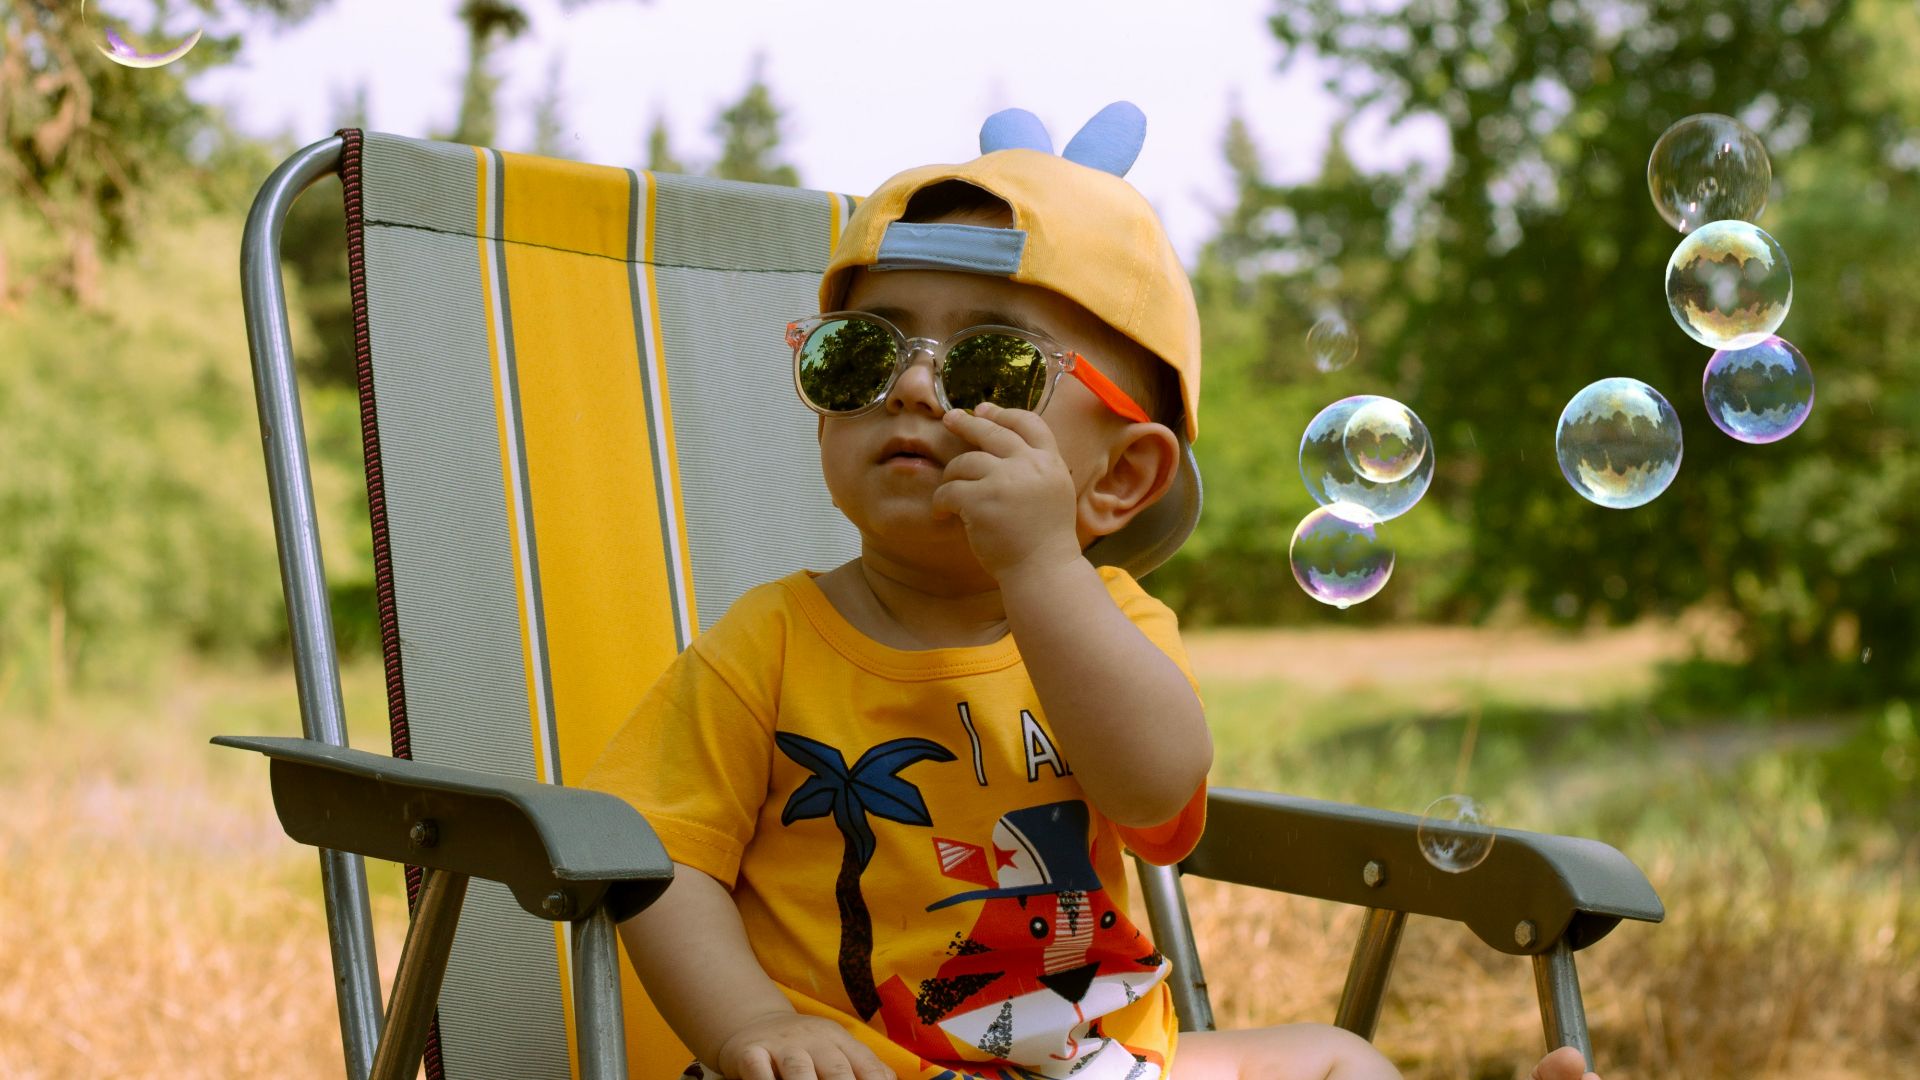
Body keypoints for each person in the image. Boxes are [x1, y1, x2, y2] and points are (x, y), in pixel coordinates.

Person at [583, 102, 1600, 1080]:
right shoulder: (767, 643)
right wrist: (754, 1024)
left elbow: (1156, 797)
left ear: (1118, 477)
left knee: (1338, 1060)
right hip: (862, 1070)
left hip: (1097, 1063)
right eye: (864, 355)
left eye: (994, 367)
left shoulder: (1115, 623)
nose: (915, 387)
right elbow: (660, 856)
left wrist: (1039, 567)